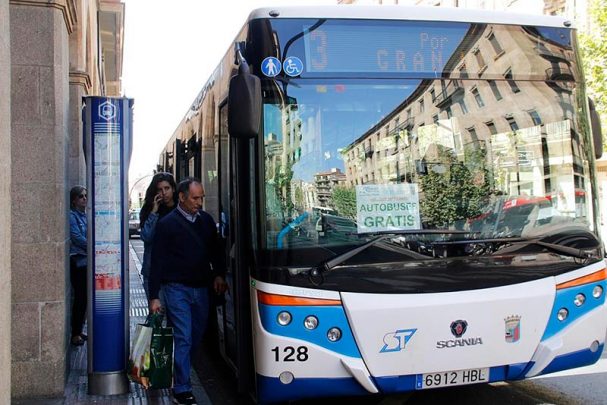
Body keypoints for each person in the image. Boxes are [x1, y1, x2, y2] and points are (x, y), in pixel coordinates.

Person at [149, 178, 227, 405]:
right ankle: (182, 388)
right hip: (176, 289)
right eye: (195, 198)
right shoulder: (167, 224)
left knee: (195, 336)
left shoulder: (206, 221)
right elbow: (157, 262)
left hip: (201, 289)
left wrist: (219, 274)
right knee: (183, 336)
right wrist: (154, 296)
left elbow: (215, 251)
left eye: (201, 197)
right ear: (182, 197)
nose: (199, 202)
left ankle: (180, 371)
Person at [139, 172, 178, 300]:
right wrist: (154, 212)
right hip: (153, 271)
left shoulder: (181, 210)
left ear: (173, 189)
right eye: (160, 190)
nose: (164, 193)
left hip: (175, 272)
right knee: (156, 310)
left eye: (167, 188)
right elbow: (146, 236)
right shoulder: (149, 211)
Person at [69, 186, 88, 346]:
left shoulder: (85, 216)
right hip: (78, 260)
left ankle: (79, 329)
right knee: (80, 297)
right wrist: (93, 246)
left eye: (85, 196)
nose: (84, 199)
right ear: (74, 200)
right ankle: (75, 333)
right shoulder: (72, 216)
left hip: (86, 260)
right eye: (81, 196)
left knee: (84, 298)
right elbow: (76, 237)